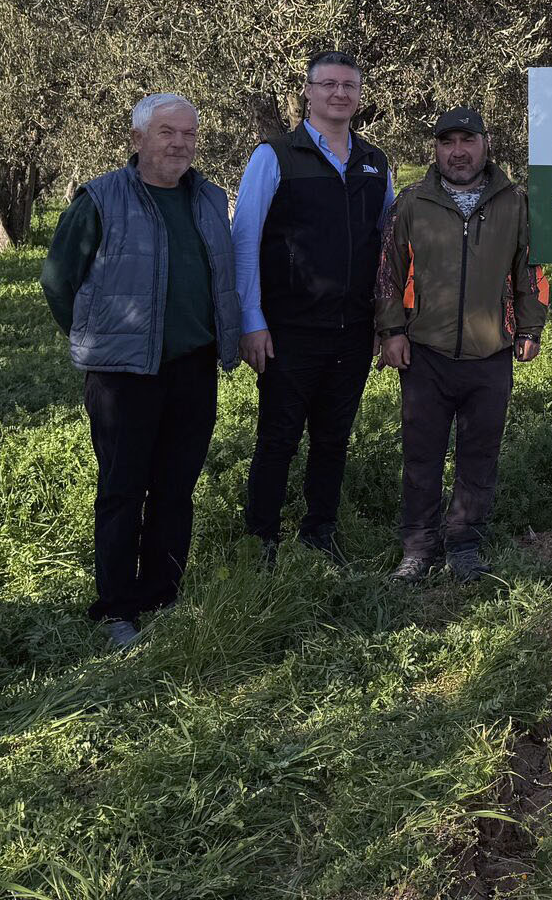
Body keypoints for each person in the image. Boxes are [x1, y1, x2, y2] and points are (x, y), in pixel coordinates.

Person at [40, 93, 241, 649]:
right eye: (166, 133)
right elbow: (59, 280)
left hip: (192, 367)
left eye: (189, 134)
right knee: (123, 489)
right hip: (122, 375)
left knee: (176, 488)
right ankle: (115, 610)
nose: (179, 144)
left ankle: (162, 595)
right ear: (137, 138)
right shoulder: (101, 199)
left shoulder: (206, 198)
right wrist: (100, 337)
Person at [231, 51, 394, 565]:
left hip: (351, 329)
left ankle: (320, 534)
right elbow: (245, 240)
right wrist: (251, 321)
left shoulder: (375, 162)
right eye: (329, 84)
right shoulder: (275, 156)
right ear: (307, 91)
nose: (339, 93)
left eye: (349, 85)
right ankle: (262, 540)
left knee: (333, 438)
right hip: (288, 329)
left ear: (360, 95)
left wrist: (383, 321)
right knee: (278, 437)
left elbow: (387, 245)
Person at [377, 107, 547, 581]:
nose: (458, 152)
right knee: (421, 455)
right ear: (435, 148)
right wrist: (391, 331)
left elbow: (530, 270)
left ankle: (464, 544)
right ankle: (417, 547)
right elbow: (388, 273)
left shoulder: (515, 202)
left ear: (484, 145)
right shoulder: (412, 202)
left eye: (467, 141)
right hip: (425, 353)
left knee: (479, 453)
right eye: (447, 142)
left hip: (490, 354)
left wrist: (530, 328)